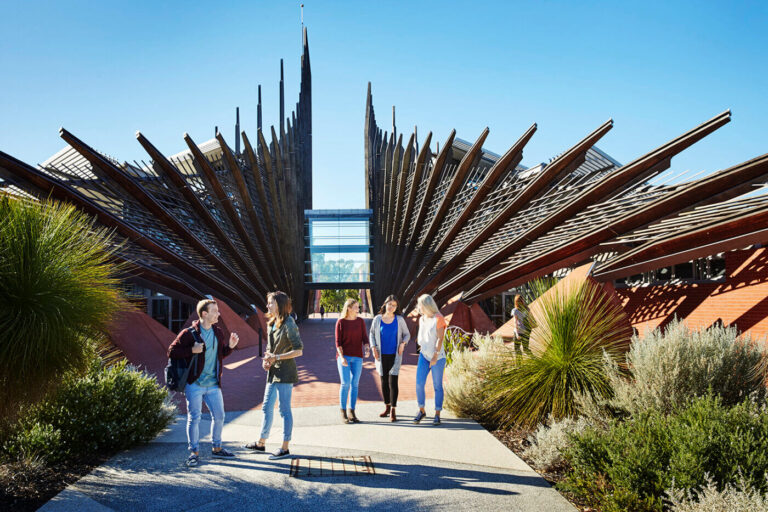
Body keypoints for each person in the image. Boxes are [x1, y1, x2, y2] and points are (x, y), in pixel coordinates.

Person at [168, 299, 240, 467]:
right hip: (195, 384)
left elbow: (220, 354)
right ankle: (193, 452)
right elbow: (171, 351)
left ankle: (217, 448)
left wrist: (230, 346)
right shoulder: (189, 333)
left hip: (214, 384)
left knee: (220, 416)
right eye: (215, 311)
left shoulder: (218, 332)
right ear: (204, 314)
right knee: (194, 418)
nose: (218, 314)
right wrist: (191, 350)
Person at [245, 291, 304, 460]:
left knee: (284, 411)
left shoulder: (289, 322)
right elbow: (271, 349)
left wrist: (276, 357)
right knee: (266, 407)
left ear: (279, 304)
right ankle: (261, 443)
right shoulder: (272, 323)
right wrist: (267, 360)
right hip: (273, 372)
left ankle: (285, 448)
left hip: (285, 373)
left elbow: (298, 350)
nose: (267, 306)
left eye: (270, 302)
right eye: (268, 303)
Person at [369, 295, 410, 422]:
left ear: (396, 307)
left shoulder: (399, 320)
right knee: (384, 382)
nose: (391, 307)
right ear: (385, 304)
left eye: (394, 305)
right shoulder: (377, 319)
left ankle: (393, 409)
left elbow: (407, 334)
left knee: (393, 382)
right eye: (390, 304)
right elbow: (371, 334)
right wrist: (373, 347)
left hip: (395, 355)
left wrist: (403, 344)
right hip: (381, 356)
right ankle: (387, 406)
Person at [335, 298, 370, 424]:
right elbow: (338, 342)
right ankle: (343, 412)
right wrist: (342, 356)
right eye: (355, 307)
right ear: (349, 308)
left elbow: (365, 338)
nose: (358, 308)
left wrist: (367, 348)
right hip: (344, 357)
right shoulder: (341, 322)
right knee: (345, 383)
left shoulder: (360, 321)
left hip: (358, 357)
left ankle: (352, 412)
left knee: (355, 384)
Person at [413, 294, 446, 426]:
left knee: (437, 386)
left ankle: (437, 413)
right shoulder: (422, 319)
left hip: (437, 356)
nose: (418, 307)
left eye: (419, 304)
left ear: (426, 305)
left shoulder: (438, 318)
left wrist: (435, 356)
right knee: (419, 383)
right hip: (424, 355)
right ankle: (421, 410)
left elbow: (440, 338)